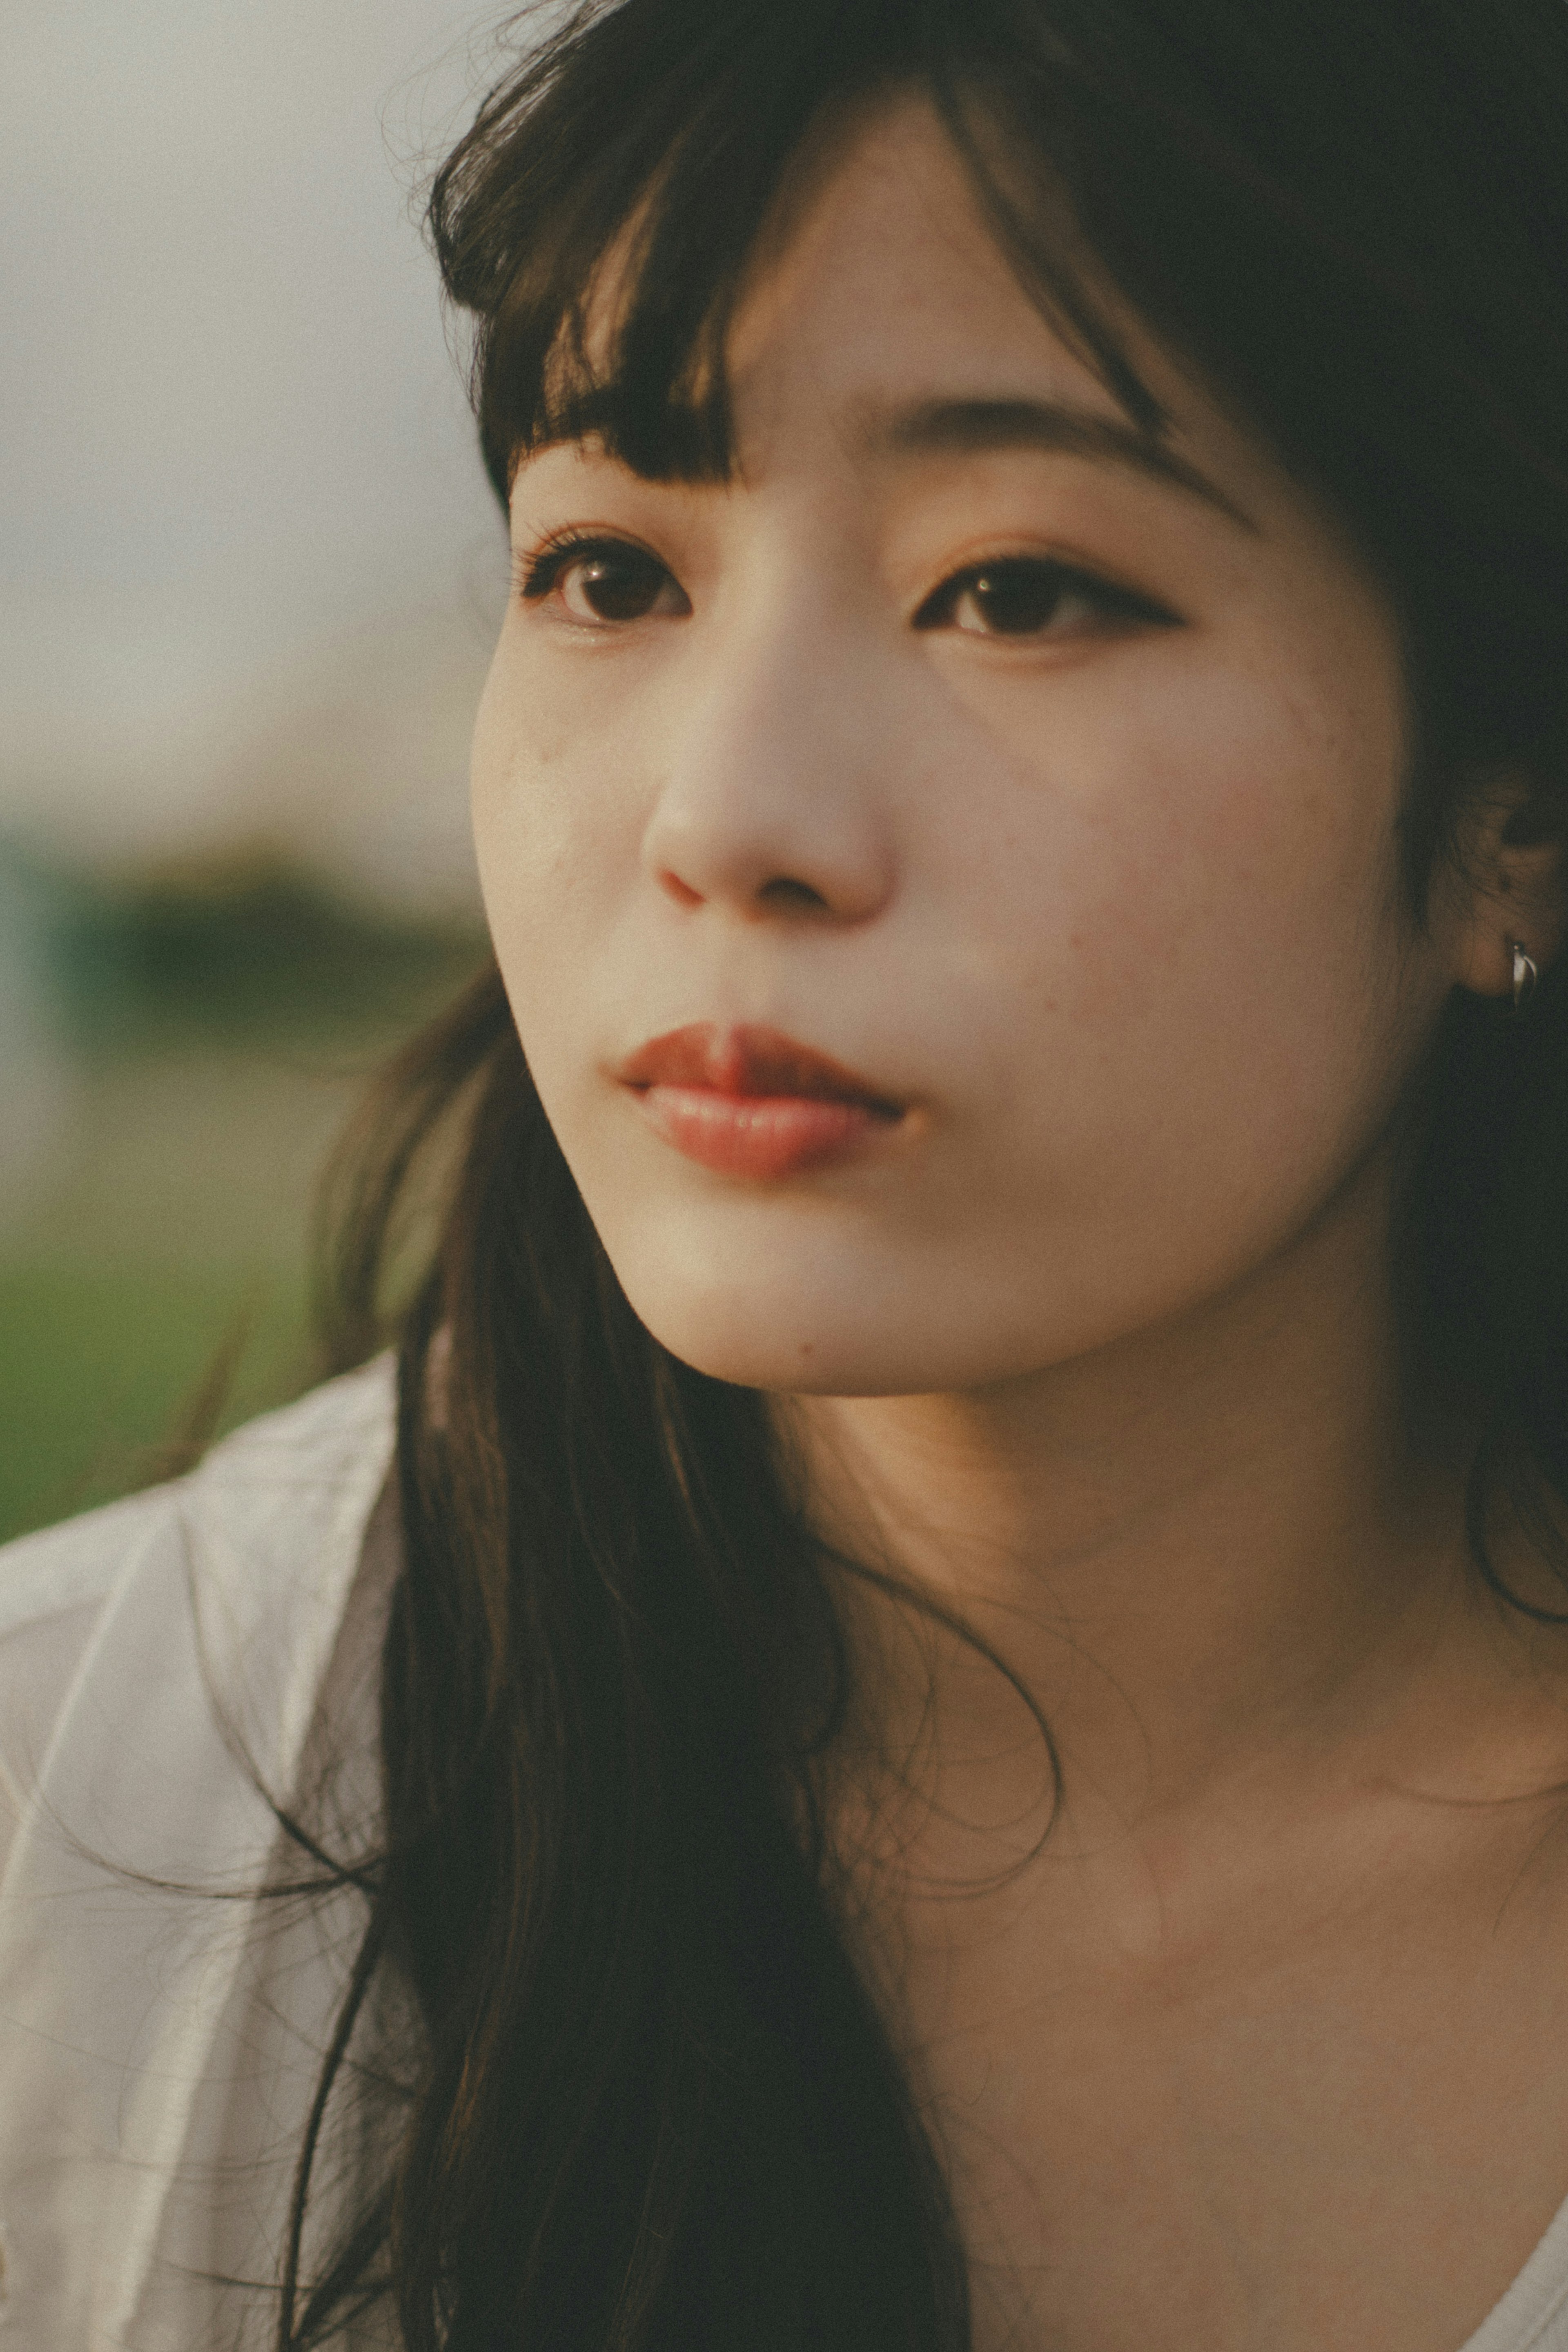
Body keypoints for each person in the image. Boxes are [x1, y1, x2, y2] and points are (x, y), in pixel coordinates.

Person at [5, 0, 1568, 2344]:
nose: (725, 817)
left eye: (1019, 587)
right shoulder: (71, 1842)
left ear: (1509, 805)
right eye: (613, 576)